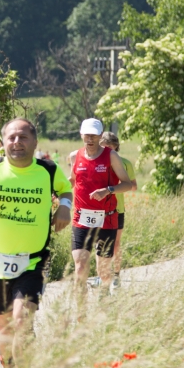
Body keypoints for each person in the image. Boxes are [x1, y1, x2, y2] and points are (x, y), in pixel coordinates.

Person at [0, 118, 72, 368]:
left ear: (35, 142)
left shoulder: (48, 170)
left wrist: (65, 206)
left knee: (22, 322)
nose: (17, 142)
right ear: (3, 142)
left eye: (23, 137)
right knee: (3, 327)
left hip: (34, 262)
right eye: (11, 137)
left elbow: (66, 190)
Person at [67, 118, 134, 294]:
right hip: (81, 217)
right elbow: (73, 180)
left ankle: (103, 296)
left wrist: (108, 190)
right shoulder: (75, 156)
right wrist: (58, 190)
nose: (90, 139)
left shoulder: (111, 156)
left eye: (94, 135)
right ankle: (81, 309)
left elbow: (127, 184)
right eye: (87, 135)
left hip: (106, 218)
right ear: (81, 134)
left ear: (100, 136)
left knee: (103, 271)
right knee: (80, 266)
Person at [100, 132, 137, 293]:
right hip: (98, 208)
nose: (107, 149)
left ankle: (116, 275)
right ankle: (102, 276)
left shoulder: (125, 163)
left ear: (116, 146)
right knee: (98, 245)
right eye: (104, 146)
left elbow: (133, 186)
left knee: (115, 244)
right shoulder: (96, 162)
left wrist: (116, 185)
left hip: (117, 209)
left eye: (110, 146)